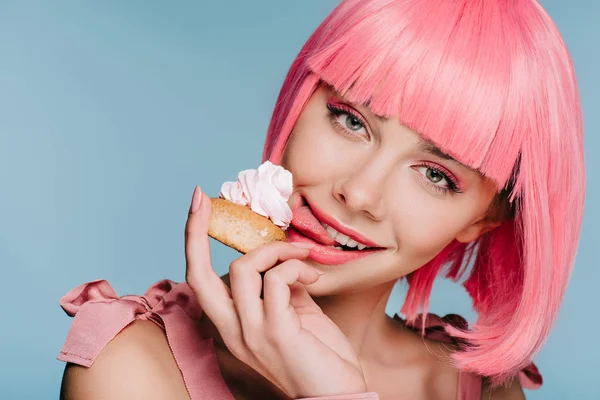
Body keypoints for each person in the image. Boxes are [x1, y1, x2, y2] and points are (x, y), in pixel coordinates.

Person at [57, 0, 584, 399]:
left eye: (435, 174)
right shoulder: (129, 368)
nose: (358, 193)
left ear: (486, 218)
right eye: (351, 120)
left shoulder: (473, 389)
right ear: (301, 98)